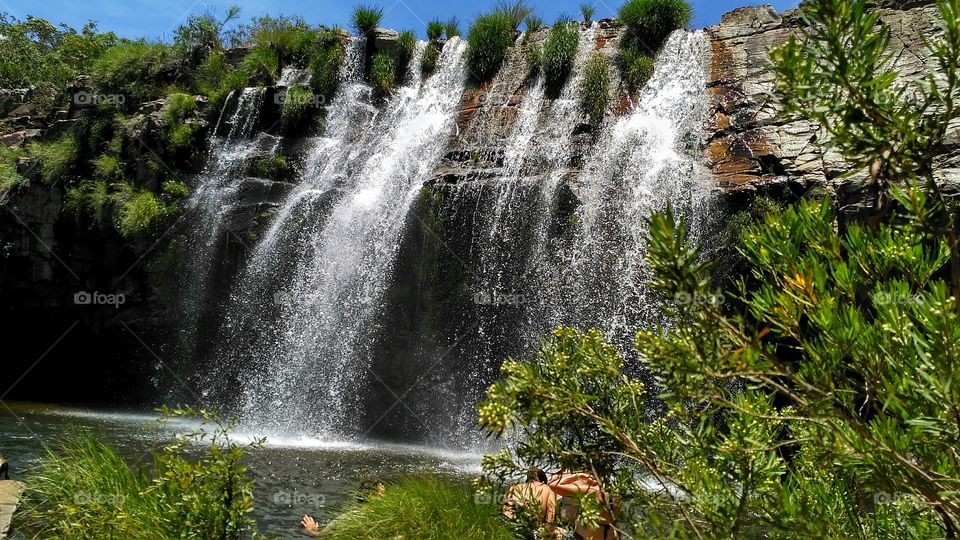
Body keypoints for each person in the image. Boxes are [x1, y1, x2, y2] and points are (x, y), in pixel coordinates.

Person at [548, 472, 619, 540]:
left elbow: (553, 484)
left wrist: (579, 475)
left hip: (582, 537)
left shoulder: (591, 490)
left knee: (554, 532)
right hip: (608, 536)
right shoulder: (616, 495)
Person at [502, 468, 557, 538]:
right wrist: (545, 532)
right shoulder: (547, 489)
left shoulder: (514, 487)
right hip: (531, 527)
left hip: (509, 523)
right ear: (543, 481)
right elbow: (551, 514)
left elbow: (506, 509)